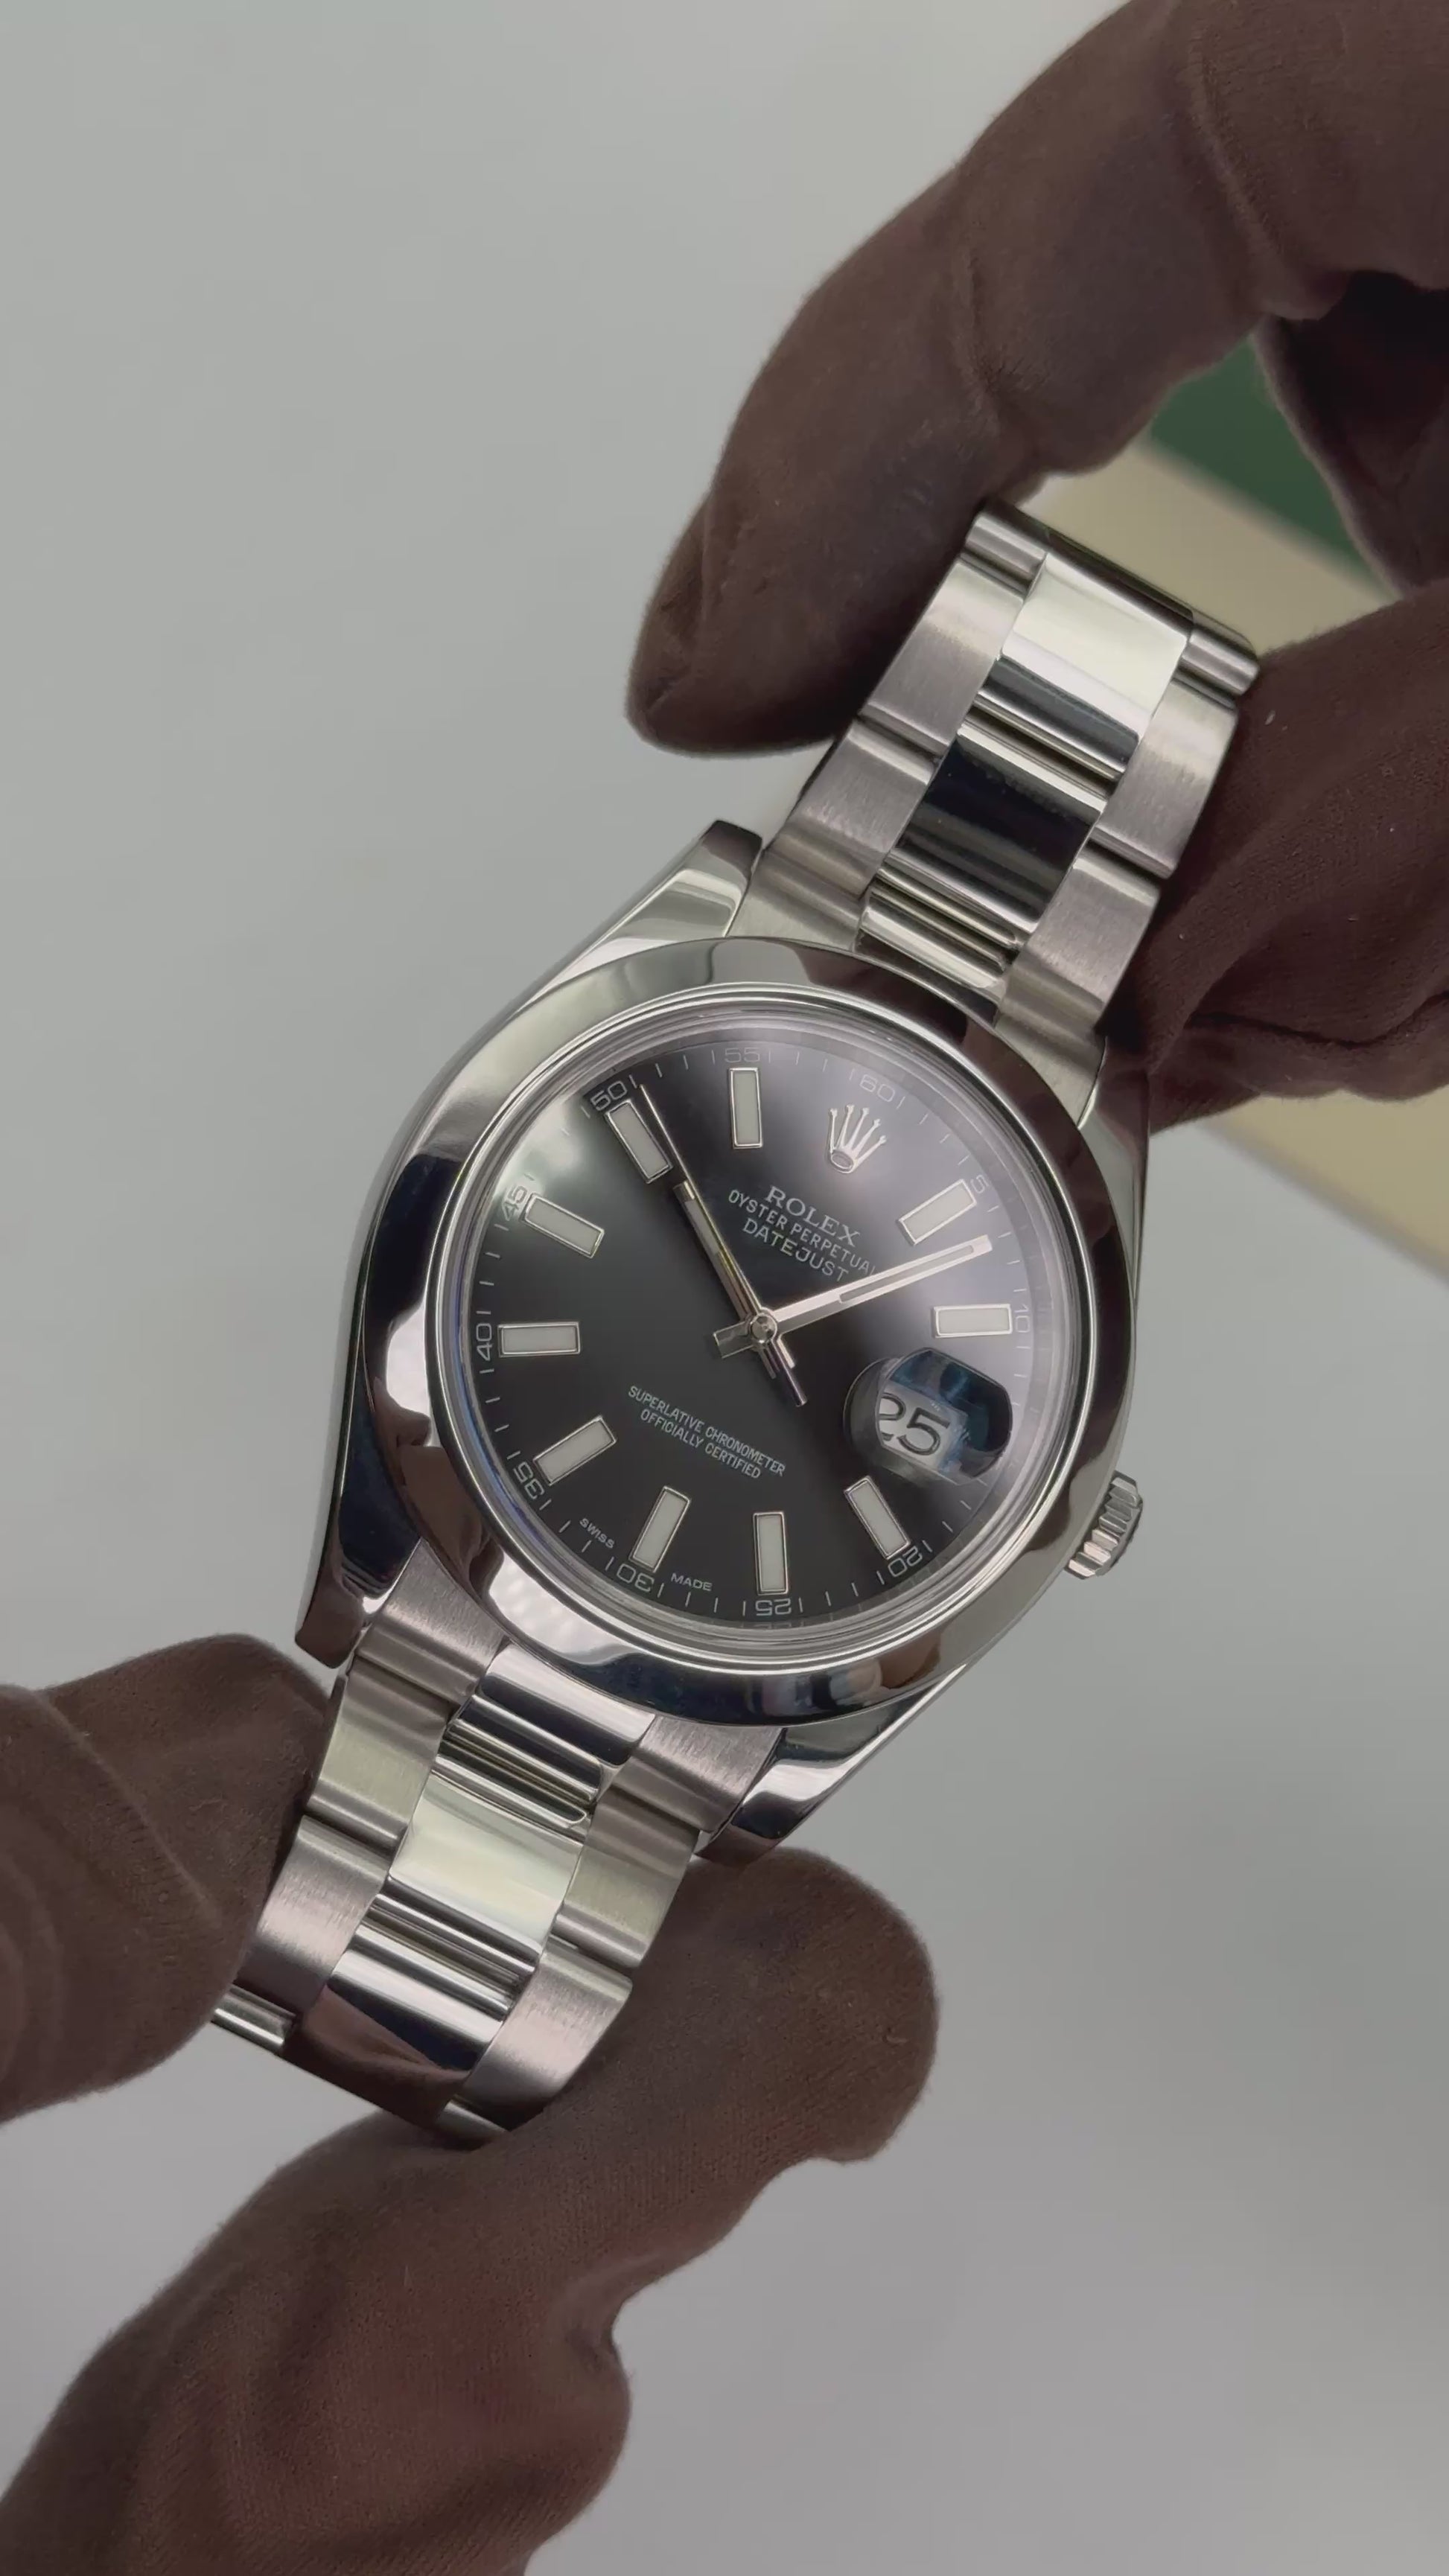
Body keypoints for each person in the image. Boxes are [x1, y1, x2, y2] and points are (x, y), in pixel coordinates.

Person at [4, 0, 1446, 2563]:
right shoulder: (643, 1141)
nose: (782, 1326)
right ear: (480, 1155)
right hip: (556, 1572)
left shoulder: (876, 1232)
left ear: (1058, 1501)